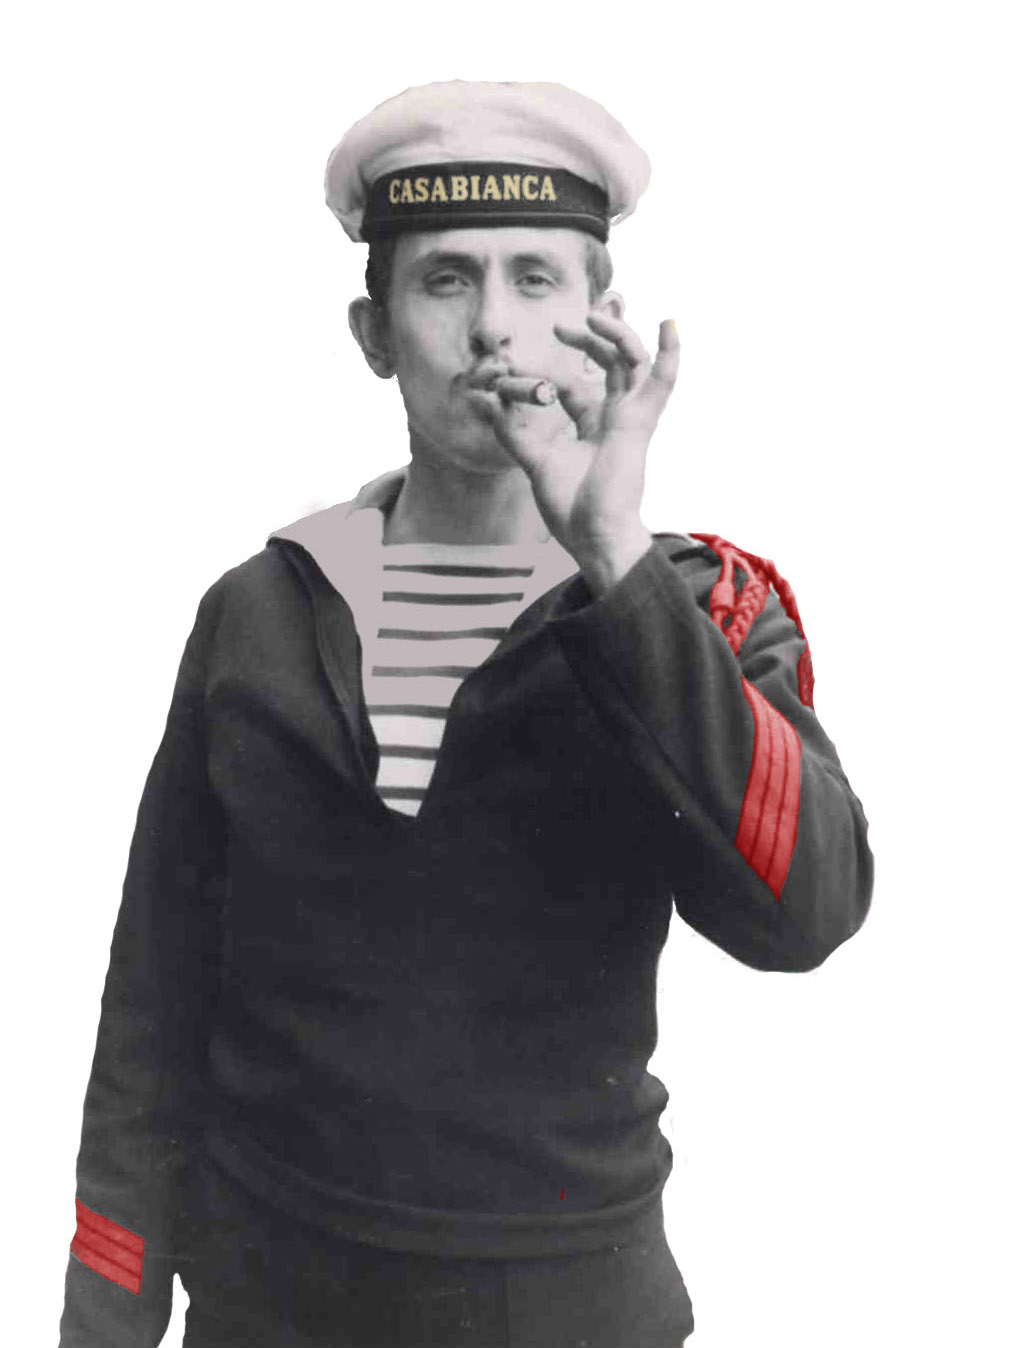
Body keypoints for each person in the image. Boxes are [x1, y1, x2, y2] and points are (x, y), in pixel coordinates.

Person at [58, 80, 873, 1347]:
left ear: (599, 318)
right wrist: (104, 1317)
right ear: (374, 332)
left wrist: (614, 561)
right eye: (445, 281)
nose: (493, 326)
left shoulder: (696, 604)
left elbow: (806, 912)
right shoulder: (259, 610)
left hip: (569, 1305)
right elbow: (154, 1005)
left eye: (535, 279)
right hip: (271, 1300)